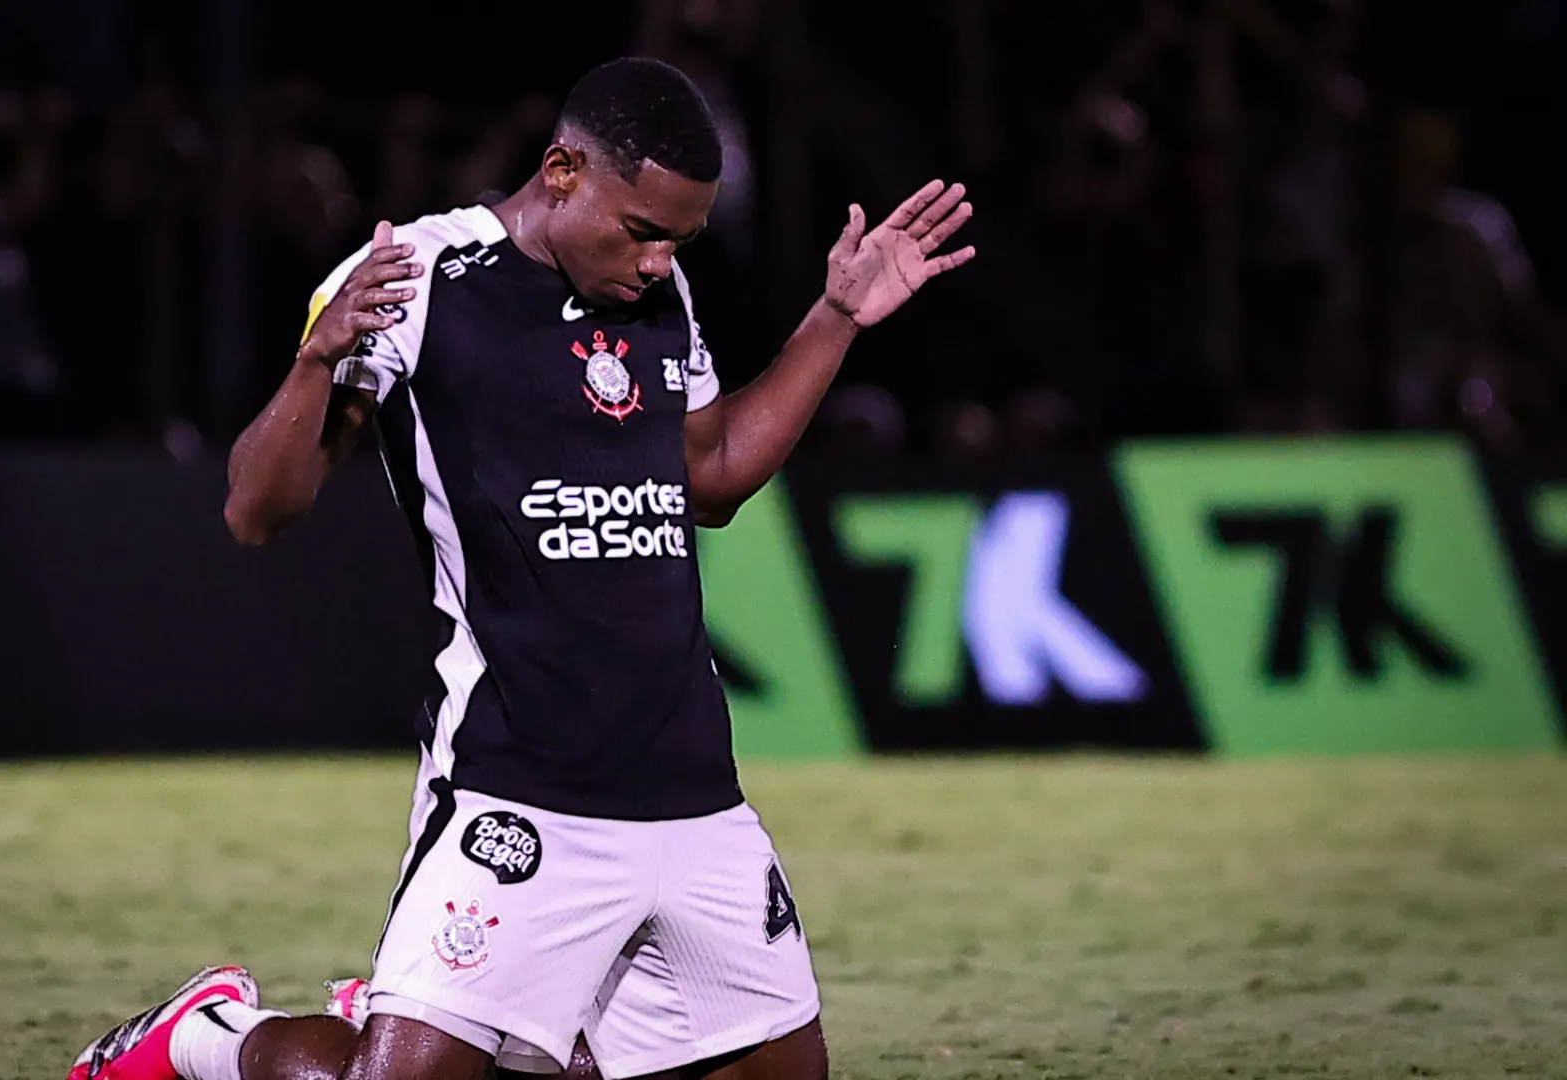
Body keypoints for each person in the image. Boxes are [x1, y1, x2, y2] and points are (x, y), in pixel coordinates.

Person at [66, 56, 974, 1080]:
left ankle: (436, 1014)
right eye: (641, 231)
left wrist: (836, 316)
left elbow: (710, 476)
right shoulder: (417, 274)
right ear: (561, 170)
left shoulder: (659, 291)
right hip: (518, 788)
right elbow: (254, 510)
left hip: (693, 799)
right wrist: (316, 362)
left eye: (681, 240)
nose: (657, 261)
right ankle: (208, 1038)